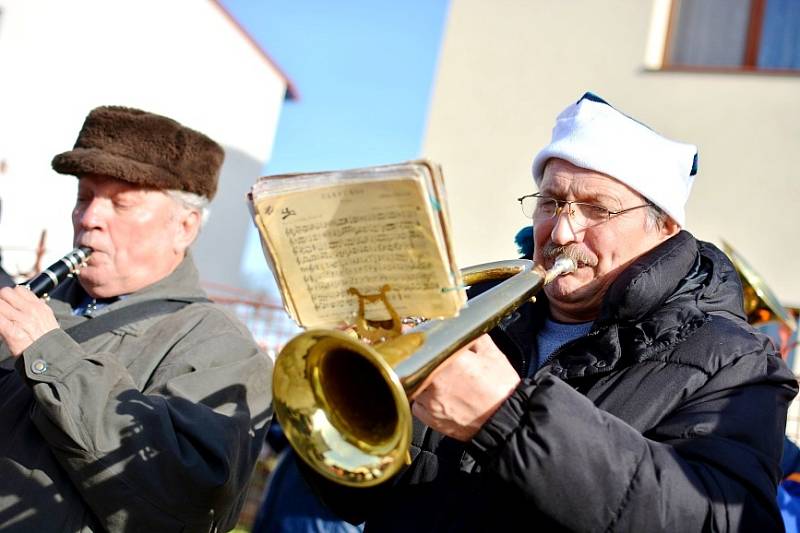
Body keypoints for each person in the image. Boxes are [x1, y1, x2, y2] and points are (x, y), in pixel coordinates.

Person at [298, 92, 799, 531]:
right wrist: (350, 404)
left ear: (663, 227)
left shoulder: (737, 361)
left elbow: (724, 521)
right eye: (551, 202)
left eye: (597, 209)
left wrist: (506, 417)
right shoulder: (469, 314)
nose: (560, 233)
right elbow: (359, 499)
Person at [0, 106, 273, 532]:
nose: (89, 219)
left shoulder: (222, 347)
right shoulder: (38, 303)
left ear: (184, 226)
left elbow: (191, 497)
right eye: (84, 197)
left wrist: (50, 357)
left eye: (121, 204)